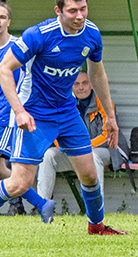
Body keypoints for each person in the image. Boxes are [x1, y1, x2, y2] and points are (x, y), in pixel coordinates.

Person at [0, 0, 127, 237]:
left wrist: (110, 116)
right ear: (58, 11)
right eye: (72, 11)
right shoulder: (39, 35)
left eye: (83, 9)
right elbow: (4, 69)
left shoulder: (91, 34)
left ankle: (96, 227)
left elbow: (96, 74)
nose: (79, 16)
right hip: (35, 114)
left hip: (67, 112)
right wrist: (19, 111)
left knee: (89, 175)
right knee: (20, 182)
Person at [0, 0, 53, 222]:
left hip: (10, 113)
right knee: (0, 168)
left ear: (9, 21)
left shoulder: (19, 46)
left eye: (3, 17)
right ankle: (42, 203)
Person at [36, 71, 124, 201]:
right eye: (76, 84)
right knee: (49, 155)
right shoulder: (66, 105)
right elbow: (56, 133)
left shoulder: (104, 102)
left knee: (92, 157)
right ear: (71, 86)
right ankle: (42, 204)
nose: (81, 87)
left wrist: (83, 147)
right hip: (75, 152)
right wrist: (69, 148)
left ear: (92, 85)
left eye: (85, 83)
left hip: (105, 151)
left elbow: (107, 136)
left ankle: (96, 208)